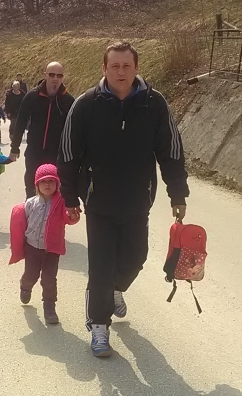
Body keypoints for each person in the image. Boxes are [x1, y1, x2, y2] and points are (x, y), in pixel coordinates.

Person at [57, 42, 189, 357]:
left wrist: (177, 192)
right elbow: (68, 153)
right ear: (104, 69)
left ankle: (115, 289)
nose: (120, 72)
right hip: (99, 202)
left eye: (126, 66)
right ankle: (99, 327)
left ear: (136, 68)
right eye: (114, 66)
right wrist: (70, 197)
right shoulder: (86, 104)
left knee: (137, 257)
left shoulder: (154, 104)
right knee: (101, 265)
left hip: (137, 201)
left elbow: (171, 151)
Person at [9, 164, 79, 324]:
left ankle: (49, 308)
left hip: (51, 250)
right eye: (43, 181)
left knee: (49, 280)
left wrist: (73, 216)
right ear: (37, 184)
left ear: (57, 184)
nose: (47, 184)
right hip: (32, 248)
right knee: (31, 275)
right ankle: (25, 286)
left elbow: (68, 218)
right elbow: (22, 223)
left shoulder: (62, 203)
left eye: (51, 181)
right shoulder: (31, 203)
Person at [9, 62, 74, 198]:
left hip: (56, 154)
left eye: (59, 75)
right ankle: (31, 209)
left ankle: (52, 212)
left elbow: (73, 131)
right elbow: (20, 122)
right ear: (45, 75)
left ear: (62, 77)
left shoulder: (68, 100)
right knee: (31, 186)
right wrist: (15, 147)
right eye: (52, 74)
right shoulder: (32, 96)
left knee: (54, 189)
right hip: (35, 151)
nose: (55, 78)